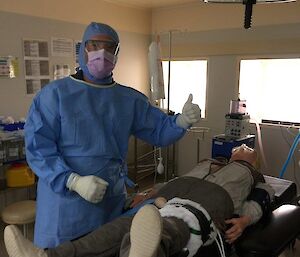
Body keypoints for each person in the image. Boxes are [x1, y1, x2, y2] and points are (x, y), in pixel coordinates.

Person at [24, 21, 201, 248]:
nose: (102, 53)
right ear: (82, 49)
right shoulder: (54, 95)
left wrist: (182, 120)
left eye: (110, 47)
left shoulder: (129, 100)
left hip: (109, 199)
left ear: (117, 53)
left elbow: (158, 131)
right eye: (95, 45)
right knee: (64, 252)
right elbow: (38, 149)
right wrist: (73, 181)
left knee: (108, 247)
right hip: (64, 205)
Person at [4, 145, 275, 257]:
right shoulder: (209, 161)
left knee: (173, 225)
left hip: (207, 203)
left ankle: (145, 252)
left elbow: (263, 198)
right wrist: (149, 193)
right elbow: (171, 181)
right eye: (243, 147)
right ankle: (47, 255)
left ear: (253, 160)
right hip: (171, 193)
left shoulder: (254, 176)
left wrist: (246, 219)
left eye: (249, 150)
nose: (244, 149)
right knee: (117, 228)